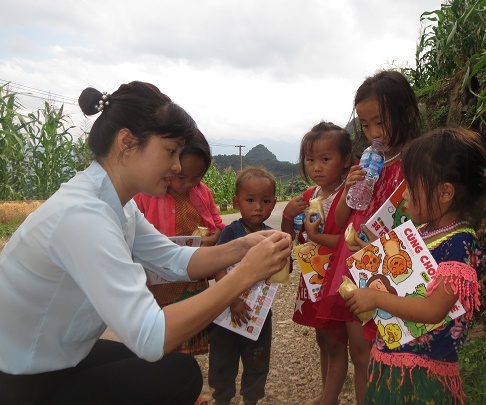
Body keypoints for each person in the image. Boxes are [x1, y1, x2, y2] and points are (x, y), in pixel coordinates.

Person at [0, 81, 291, 405]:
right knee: (179, 375)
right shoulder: (84, 217)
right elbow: (151, 336)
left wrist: (244, 246)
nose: (178, 167)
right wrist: (244, 275)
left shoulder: (117, 206)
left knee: (174, 370)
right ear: (127, 142)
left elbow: (176, 260)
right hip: (21, 377)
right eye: (170, 152)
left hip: (63, 354)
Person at [343, 126, 486, 404]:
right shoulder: (422, 231)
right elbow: (405, 278)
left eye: (411, 185)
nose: (404, 194)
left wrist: (375, 297)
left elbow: (433, 309)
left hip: (421, 377)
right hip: (390, 360)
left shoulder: (459, 243)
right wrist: (368, 252)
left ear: (445, 192)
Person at [316, 70, 422, 405]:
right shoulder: (365, 162)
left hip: (393, 264)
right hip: (353, 264)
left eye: (380, 122)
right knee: (360, 352)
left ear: (406, 114)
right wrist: (350, 189)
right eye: (365, 125)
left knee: (395, 348)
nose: (374, 133)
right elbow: (341, 220)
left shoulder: (419, 160)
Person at [134, 129, 225, 355]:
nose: (188, 184)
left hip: (192, 278)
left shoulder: (203, 193)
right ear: (171, 164)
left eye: (197, 178)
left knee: (188, 337)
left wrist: (215, 237)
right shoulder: (147, 193)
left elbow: (217, 223)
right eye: (182, 177)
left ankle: (183, 383)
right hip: (157, 282)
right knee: (161, 338)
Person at [280, 122, 352, 405]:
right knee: (322, 339)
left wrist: (318, 236)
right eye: (310, 160)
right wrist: (287, 215)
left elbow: (351, 241)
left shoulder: (350, 194)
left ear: (346, 160)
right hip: (313, 280)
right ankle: (327, 394)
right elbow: (291, 240)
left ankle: (329, 398)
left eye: (325, 159)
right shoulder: (310, 197)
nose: (316, 167)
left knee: (335, 342)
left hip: (338, 279)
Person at [208, 167, 279, 405]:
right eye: (250, 200)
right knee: (222, 362)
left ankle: (252, 399)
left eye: (266, 201)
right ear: (236, 201)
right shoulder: (231, 232)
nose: (258, 207)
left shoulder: (272, 236)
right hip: (226, 312)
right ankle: (222, 399)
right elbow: (218, 266)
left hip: (257, 315)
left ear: (274, 202)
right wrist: (233, 300)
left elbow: (279, 271)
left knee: (257, 361)